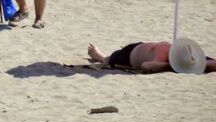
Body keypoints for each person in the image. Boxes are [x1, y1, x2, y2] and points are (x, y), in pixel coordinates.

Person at [88, 38, 216, 74]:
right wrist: (199, 65)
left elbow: (146, 66)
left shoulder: (163, 61)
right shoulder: (190, 56)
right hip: (141, 45)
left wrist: (174, 66)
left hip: (128, 56)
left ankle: (100, 56)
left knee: (109, 59)